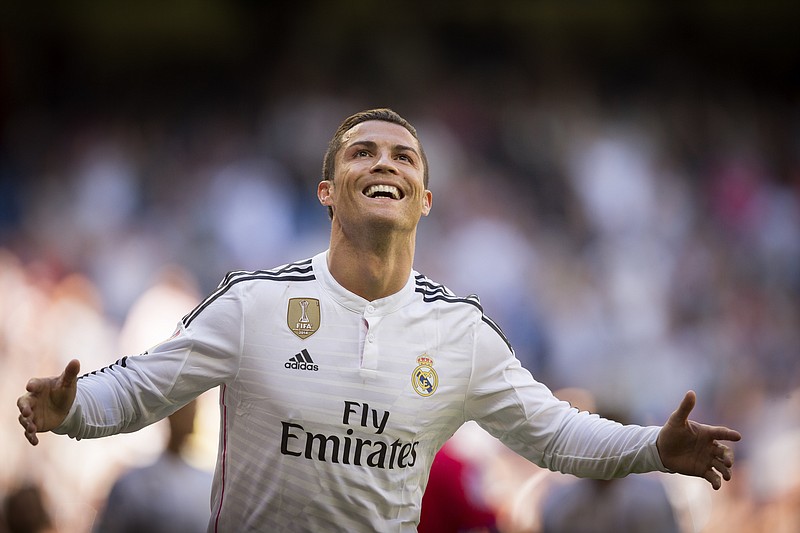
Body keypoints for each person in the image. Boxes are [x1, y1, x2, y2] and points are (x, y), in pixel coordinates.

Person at [17, 108, 741, 532]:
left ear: (424, 198)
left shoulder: (460, 332)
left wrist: (652, 446)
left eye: (403, 155)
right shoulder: (252, 302)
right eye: (362, 151)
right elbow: (141, 386)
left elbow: (552, 432)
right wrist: (71, 408)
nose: (383, 162)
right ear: (330, 191)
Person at [92, 400, 212, 533]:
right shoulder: (133, 483)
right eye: (185, 409)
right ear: (170, 413)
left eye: (193, 408)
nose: (190, 415)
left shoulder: (207, 484)